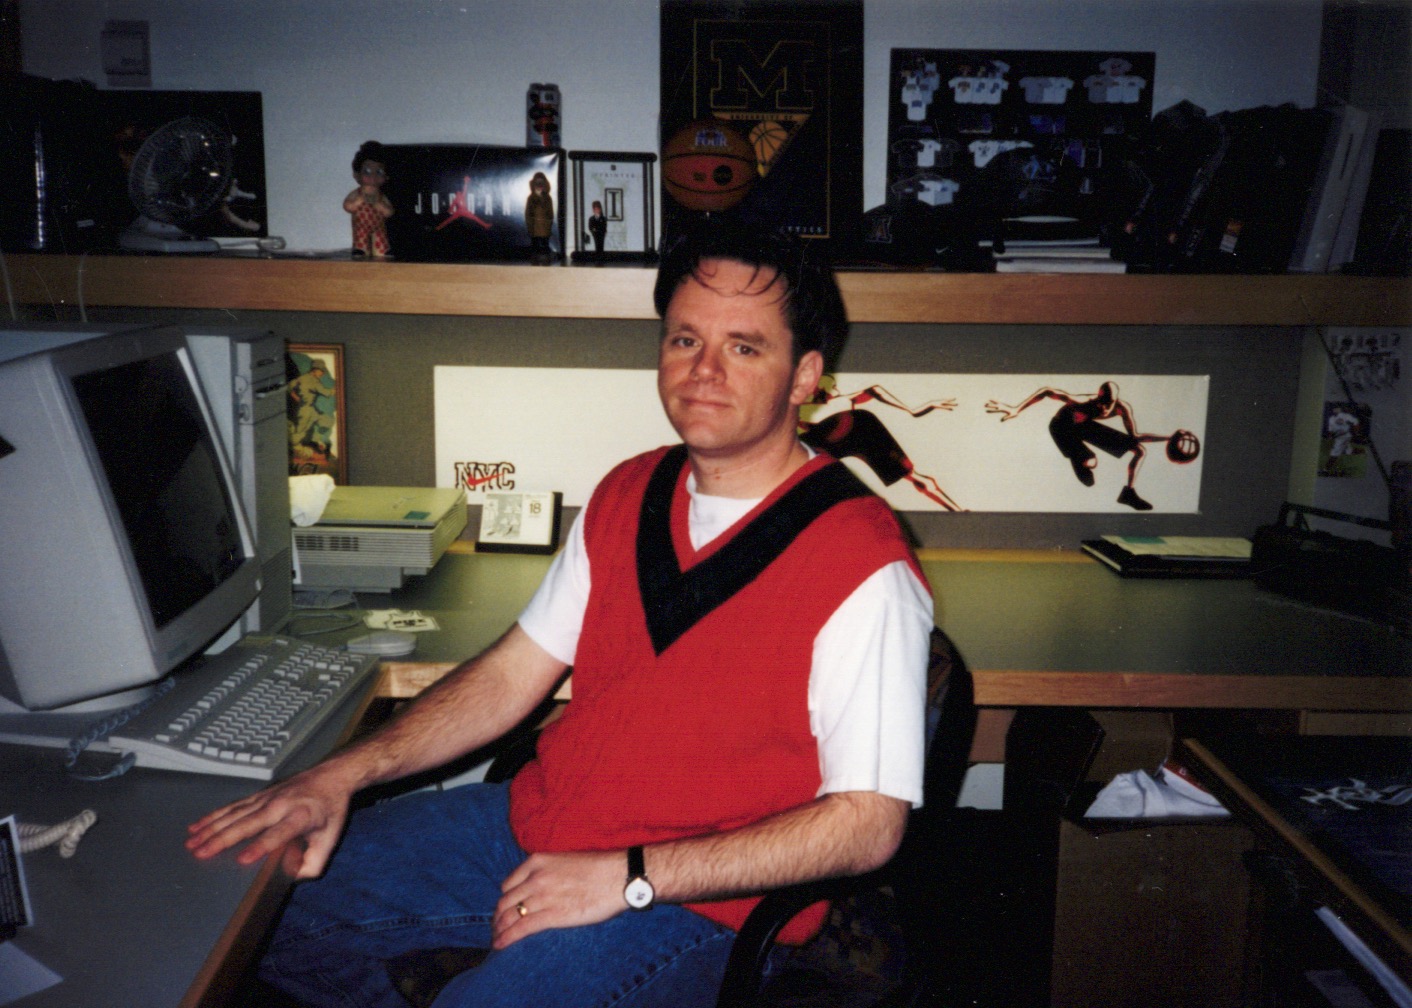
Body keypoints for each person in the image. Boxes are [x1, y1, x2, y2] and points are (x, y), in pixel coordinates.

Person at [186, 219, 932, 1008]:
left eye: (743, 347)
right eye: (685, 340)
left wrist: (630, 877)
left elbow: (867, 824)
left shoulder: (862, 560)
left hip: (703, 902)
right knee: (247, 899)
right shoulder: (629, 491)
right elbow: (512, 675)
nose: (704, 371)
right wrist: (341, 774)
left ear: (804, 375)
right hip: (541, 826)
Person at [985, 380, 1168, 511]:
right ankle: (1080, 460)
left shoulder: (1122, 408)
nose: (1104, 409)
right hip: (1061, 427)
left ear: (1115, 401)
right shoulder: (1083, 402)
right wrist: (1017, 408)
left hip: (1083, 426)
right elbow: (1047, 391)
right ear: (1097, 398)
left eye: (1108, 404)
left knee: (1139, 450)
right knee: (1091, 462)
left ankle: (1128, 494)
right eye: (1101, 403)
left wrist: (1168, 438)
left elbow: (1135, 437)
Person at [344, 141, 394, 258]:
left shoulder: (381, 196)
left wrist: (380, 205)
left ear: (386, 177)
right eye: (367, 172)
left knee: (380, 237)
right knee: (361, 236)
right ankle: (360, 249)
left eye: (379, 172)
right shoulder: (357, 193)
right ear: (357, 175)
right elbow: (347, 206)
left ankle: (382, 251)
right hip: (361, 225)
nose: (373, 176)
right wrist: (359, 201)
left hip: (378, 226)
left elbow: (389, 212)